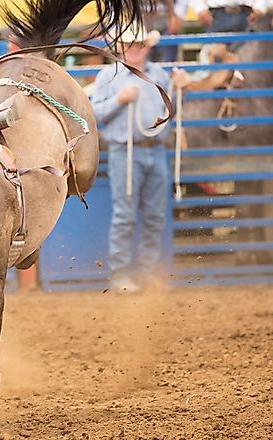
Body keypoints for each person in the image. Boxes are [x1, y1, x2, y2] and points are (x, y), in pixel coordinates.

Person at [91, 26, 189, 293]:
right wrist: (119, 101)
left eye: (139, 43)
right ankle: (120, 276)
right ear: (121, 47)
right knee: (124, 216)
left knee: (155, 217)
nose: (135, 48)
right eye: (129, 43)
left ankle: (149, 275)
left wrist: (180, 90)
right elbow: (95, 114)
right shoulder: (108, 77)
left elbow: (171, 111)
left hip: (155, 150)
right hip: (125, 151)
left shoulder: (159, 75)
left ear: (147, 46)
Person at [190, 0, 266, 33]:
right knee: (216, 61)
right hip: (215, 17)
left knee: (250, 63)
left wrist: (261, 6)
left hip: (250, 16)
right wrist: (200, 8)